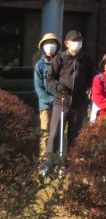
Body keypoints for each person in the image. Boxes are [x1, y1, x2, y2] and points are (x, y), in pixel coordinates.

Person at [46, 30, 94, 161]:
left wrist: (89, 89)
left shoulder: (86, 59)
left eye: (79, 41)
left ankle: (72, 162)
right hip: (61, 101)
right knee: (55, 133)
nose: (77, 43)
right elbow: (50, 79)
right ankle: (49, 162)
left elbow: (91, 78)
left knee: (75, 134)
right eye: (74, 41)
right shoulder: (59, 58)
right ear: (67, 43)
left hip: (79, 103)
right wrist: (58, 87)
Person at [34, 33, 59, 161]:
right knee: (45, 131)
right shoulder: (39, 65)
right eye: (47, 43)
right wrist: (49, 100)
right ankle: (44, 160)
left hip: (60, 103)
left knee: (58, 132)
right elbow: (38, 87)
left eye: (53, 43)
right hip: (45, 105)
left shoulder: (61, 63)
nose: (50, 46)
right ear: (42, 46)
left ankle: (55, 159)